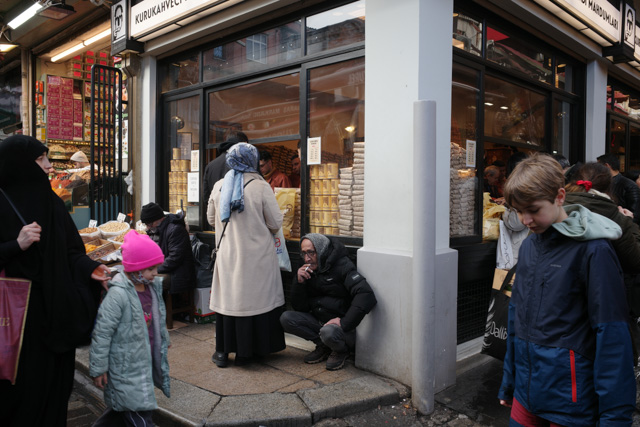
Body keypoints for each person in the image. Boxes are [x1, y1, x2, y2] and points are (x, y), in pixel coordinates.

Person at [498, 153, 636, 425]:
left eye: (533, 209)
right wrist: (509, 380)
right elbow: (516, 318)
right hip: (526, 394)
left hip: (571, 401)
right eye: (518, 211)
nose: (525, 220)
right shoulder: (529, 246)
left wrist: (615, 417)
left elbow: (612, 335)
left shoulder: (595, 250)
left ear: (560, 196)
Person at [0, 135, 110, 426]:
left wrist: (90, 268)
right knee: (21, 392)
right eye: (40, 159)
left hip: (55, 313)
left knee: (54, 388)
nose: (49, 166)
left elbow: (70, 251)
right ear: (20, 164)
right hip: (17, 320)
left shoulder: (51, 202)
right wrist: (15, 245)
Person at [207, 142, 286, 367]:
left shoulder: (219, 186)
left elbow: (211, 220)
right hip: (257, 257)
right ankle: (249, 352)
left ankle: (223, 351)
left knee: (228, 302)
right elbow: (275, 223)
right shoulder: (260, 186)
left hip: (227, 255)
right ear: (253, 160)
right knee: (256, 303)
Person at [90, 230, 170, 426]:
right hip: (124, 366)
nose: (156, 273)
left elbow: (158, 318)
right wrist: (99, 368)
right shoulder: (118, 295)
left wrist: (164, 339)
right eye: (151, 269)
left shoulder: (152, 289)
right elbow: (102, 333)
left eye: (156, 268)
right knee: (139, 411)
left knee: (122, 408)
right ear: (136, 269)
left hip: (143, 361)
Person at [280, 233, 377, 371]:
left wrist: (344, 322)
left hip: (340, 328)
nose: (307, 258)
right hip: (320, 321)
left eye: (311, 252)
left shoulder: (342, 265)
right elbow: (300, 307)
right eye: (304, 253)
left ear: (321, 250)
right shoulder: (306, 267)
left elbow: (366, 294)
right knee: (287, 318)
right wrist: (299, 282)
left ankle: (341, 350)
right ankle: (325, 346)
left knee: (328, 332)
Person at [141, 202, 196, 303]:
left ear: (159, 219)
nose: (147, 227)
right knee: (138, 277)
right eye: (146, 224)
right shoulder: (154, 229)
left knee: (146, 280)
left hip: (177, 273)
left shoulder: (175, 229)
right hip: (165, 268)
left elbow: (175, 258)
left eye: (149, 224)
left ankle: (154, 309)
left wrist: (156, 270)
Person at [203, 131, 249, 204]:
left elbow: (206, 197)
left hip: (216, 209)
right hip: (239, 209)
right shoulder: (243, 163)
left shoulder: (210, 166)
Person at [597, 153, 640, 224]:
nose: (596, 170)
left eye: (598, 166)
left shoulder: (629, 185)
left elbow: (635, 214)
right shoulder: (601, 183)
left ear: (606, 166)